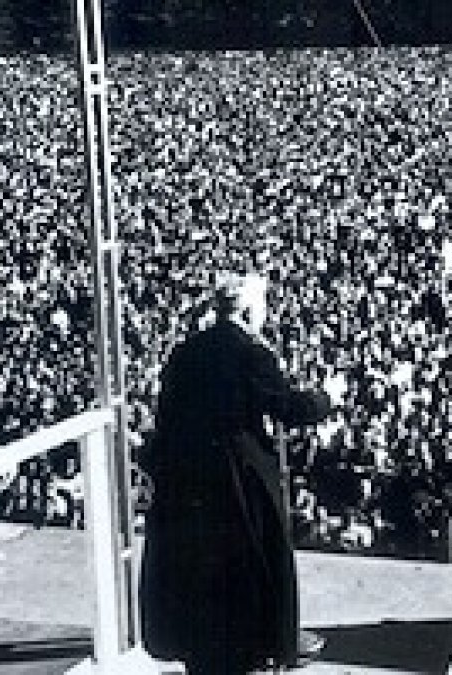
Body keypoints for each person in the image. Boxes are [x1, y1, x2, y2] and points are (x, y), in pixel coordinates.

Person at [140, 272, 333, 674]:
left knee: (203, 570)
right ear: (246, 309)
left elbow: (166, 417)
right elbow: (284, 407)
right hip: (240, 479)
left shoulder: (186, 350)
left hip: (191, 478)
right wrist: (326, 397)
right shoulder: (251, 351)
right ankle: (259, 644)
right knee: (251, 565)